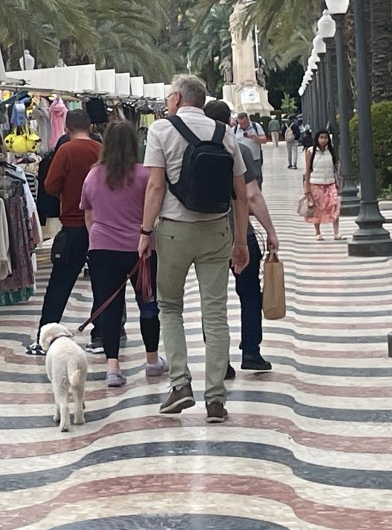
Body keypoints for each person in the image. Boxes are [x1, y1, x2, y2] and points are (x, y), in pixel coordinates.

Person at [139, 76, 249, 424]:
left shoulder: (160, 130)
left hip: (174, 230)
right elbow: (241, 194)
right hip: (217, 230)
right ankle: (215, 398)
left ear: (176, 98)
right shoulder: (225, 133)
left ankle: (180, 384)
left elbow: (156, 186)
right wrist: (241, 241)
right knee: (215, 313)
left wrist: (145, 232)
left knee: (170, 306)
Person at [80, 121, 165, 387]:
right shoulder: (144, 175)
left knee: (109, 306)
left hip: (102, 249)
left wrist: (99, 238)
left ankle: (113, 368)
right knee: (148, 304)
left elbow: (88, 215)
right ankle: (152, 360)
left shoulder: (93, 176)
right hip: (140, 250)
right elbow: (155, 209)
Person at [204, 101, 278, 378]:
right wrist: (270, 231)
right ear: (230, 123)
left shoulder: (190, 148)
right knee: (249, 294)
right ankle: (251, 352)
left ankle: (219, 361)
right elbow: (252, 196)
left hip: (206, 236)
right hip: (240, 234)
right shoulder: (239, 149)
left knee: (212, 298)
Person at [27, 109, 101, 355]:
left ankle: (45, 336)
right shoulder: (101, 150)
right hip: (101, 227)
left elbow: (50, 185)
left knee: (60, 283)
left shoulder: (66, 150)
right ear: (90, 126)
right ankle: (103, 334)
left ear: (67, 129)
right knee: (103, 282)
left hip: (73, 225)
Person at [303, 129, 342, 240]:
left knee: (334, 206)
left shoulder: (331, 151)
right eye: (321, 137)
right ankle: (318, 232)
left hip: (330, 183)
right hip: (316, 183)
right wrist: (307, 186)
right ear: (317, 139)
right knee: (317, 208)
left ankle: (336, 232)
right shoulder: (310, 151)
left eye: (325, 138)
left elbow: (335, 167)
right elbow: (307, 170)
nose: (323, 140)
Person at [234, 111, 267, 186]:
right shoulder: (235, 129)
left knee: (257, 178)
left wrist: (255, 138)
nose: (243, 125)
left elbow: (264, 140)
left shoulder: (256, 126)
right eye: (240, 123)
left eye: (244, 123)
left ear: (248, 119)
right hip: (241, 160)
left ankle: (258, 191)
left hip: (255, 158)